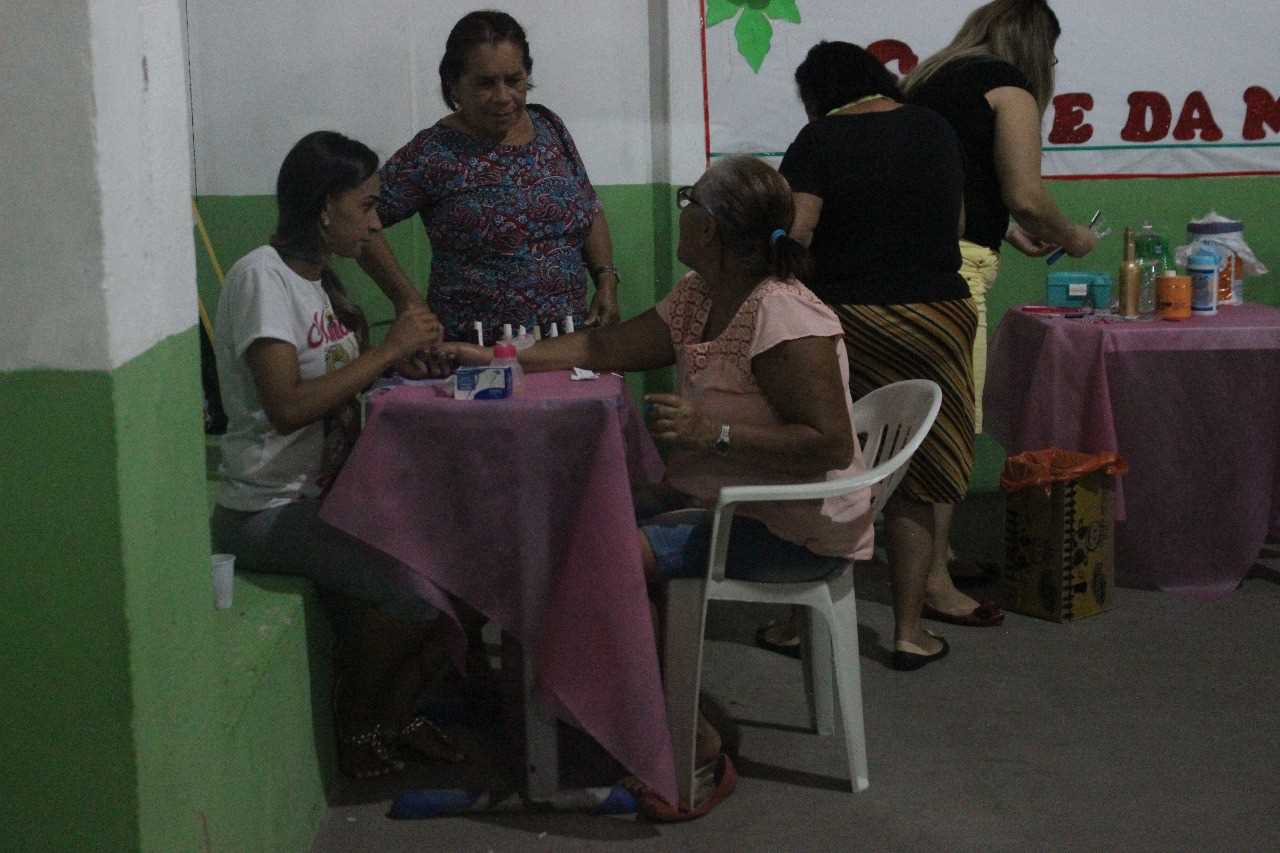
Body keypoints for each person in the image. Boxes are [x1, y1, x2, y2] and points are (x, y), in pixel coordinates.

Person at [443, 154, 875, 792]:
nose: (683, 210)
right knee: (572, 521)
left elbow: (829, 446)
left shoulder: (783, 317)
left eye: (689, 201)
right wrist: (501, 356)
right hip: (730, 506)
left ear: (713, 231)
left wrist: (716, 433)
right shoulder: (702, 296)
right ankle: (609, 705)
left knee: (599, 555)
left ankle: (677, 728)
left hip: (791, 531)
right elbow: (602, 346)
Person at [210, 131, 465, 780]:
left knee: (457, 565)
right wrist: (388, 347)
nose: (377, 223)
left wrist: (402, 355)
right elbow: (287, 405)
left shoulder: (322, 285)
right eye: (367, 207)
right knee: (417, 600)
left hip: (326, 493)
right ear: (325, 208)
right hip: (268, 506)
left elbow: (342, 384)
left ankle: (398, 718)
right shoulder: (262, 279)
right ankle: (361, 727)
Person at [752, 40, 993, 669]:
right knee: (917, 470)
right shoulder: (935, 127)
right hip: (938, 317)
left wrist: (768, 256)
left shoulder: (820, 141)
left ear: (817, 95)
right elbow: (956, 219)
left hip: (849, 321)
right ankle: (909, 632)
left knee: (831, 462)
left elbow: (798, 232)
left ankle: (796, 621)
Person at [358, 10, 621, 345]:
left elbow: (589, 207)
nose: (502, 97)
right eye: (485, 83)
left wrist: (607, 281)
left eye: (514, 80)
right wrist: (408, 302)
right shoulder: (434, 151)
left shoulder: (550, 127)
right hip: (476, 352)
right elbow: (358, 219)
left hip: (567, 343)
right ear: (454, 84)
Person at [903, 0, 1097, 435]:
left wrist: (1005, 229)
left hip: (894, 267)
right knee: (947, 433)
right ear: (1036, 48)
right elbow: (1027, 197)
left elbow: (946, 180)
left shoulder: (924, 81)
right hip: (955, 274)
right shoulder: (1008, 89)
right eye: (1051, 53)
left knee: (900, 433)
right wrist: (1074, 238)